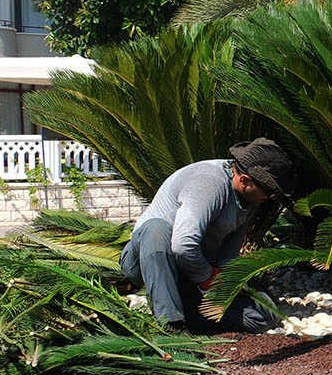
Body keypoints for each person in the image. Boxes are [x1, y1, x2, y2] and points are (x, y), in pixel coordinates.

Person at [120, 138, 297, 334]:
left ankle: (181, 310)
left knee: (264, 317)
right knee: (156, 229)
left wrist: (223, 287)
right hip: (149, 261)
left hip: (190, 271)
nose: (271, 199)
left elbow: (229, 251)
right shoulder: (208, 184)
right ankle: (171, 325)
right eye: (270, 192)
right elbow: (183, 245)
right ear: (245, 181)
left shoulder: (246, 197)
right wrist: (207, 278)